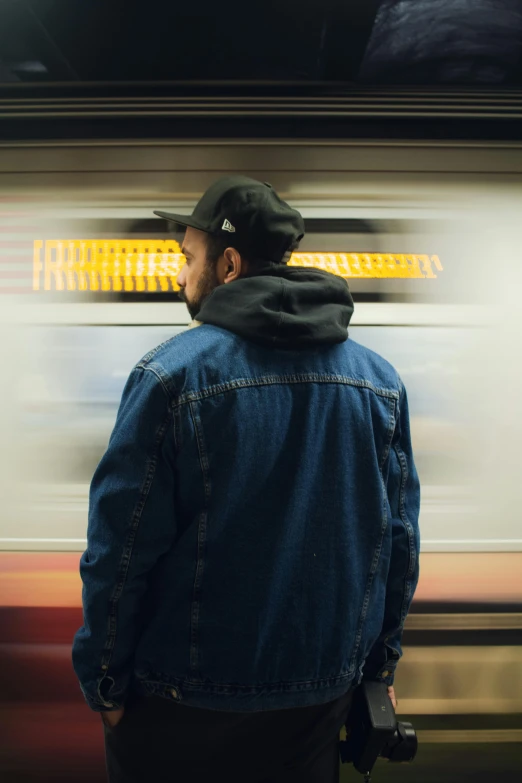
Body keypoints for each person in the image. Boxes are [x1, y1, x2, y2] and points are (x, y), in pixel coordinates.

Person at [72, 176, 420, 783]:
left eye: (188, 258)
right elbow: (397, 543)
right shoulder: (380, 382)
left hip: (182, 707)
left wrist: (105, 683)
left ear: (229, 264)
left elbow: (120, 553)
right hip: (317, 702)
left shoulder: (169, 377)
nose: (179, 275)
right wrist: (377, 674)